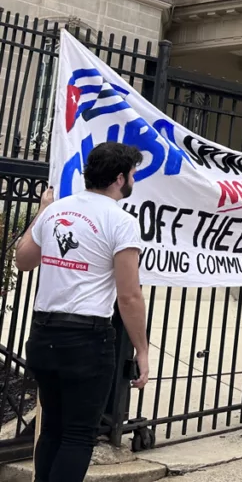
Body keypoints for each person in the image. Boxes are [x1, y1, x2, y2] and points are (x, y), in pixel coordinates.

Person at [15, 143, 149, 482]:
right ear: (120, 178)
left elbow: (23, 260)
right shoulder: (121, 221)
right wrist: (142, 351)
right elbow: (129, 296)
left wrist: (43, 212)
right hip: (86, 341)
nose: (133, 179)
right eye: (132, 173)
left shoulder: (58, 210)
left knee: (53, 431)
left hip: (44, 334)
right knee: (76, 436)